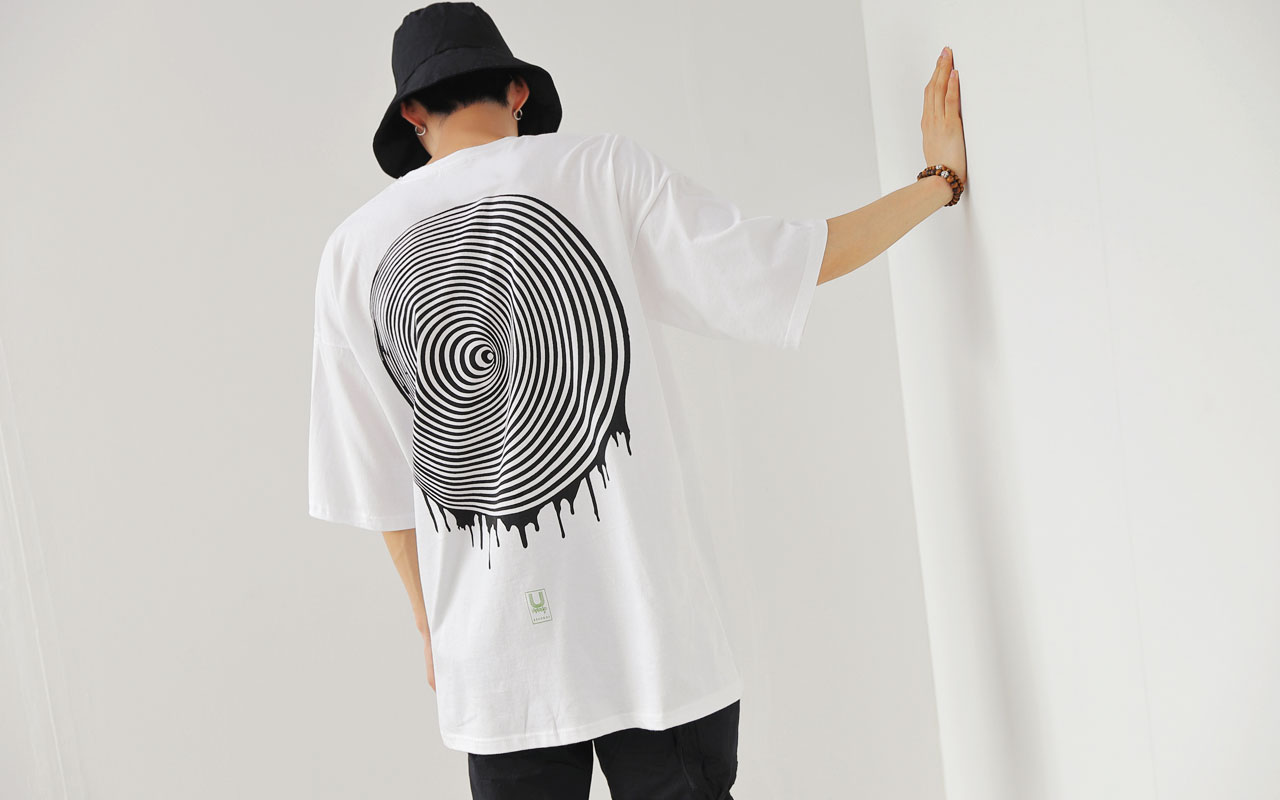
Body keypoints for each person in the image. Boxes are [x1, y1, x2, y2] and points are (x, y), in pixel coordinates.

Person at [307, 3, 967, 798]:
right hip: (651, 632)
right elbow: (781, 263)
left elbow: (380, 485)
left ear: (412, 114)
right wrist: (939, 183)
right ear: (517, 91)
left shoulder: (350, 255)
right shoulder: (602, 170)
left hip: (496, 657)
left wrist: (431, 625)